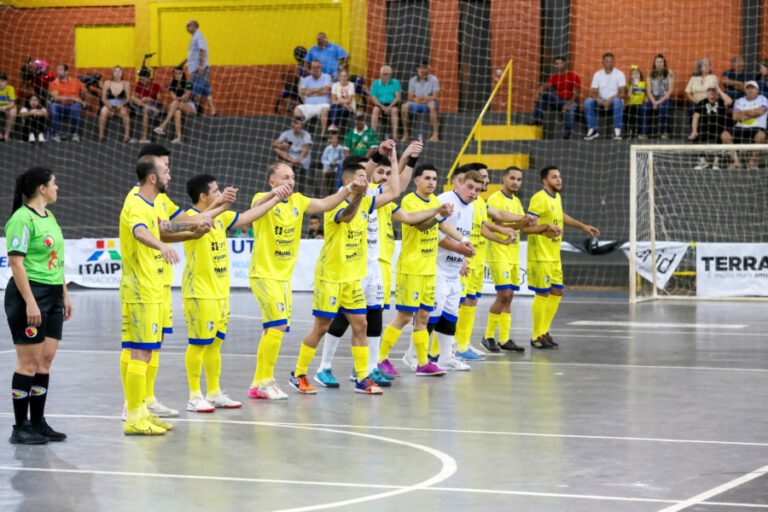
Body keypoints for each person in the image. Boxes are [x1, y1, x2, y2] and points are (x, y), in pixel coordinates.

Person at [314, 142, 449, 387]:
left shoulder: (383, 201)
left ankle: (368, 367)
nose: (387, 177)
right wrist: (386, 156)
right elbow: (376, 176)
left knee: (373, 317)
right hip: (353, 265)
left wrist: (406, 157)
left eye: (389, 174)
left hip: (378, 266)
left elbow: (402, 197)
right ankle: (325, 366)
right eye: (381, 173)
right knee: (344, 319)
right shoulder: (357, 196)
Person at [119, 144, 230, 422]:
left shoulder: (160, 200)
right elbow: (145, 231)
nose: (171, 173)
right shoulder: (135, 201)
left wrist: (203, 222)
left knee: (152, 344)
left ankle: (147, 400)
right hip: (140, 285)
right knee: (137, 346)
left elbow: (173, 225)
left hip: (159, 282)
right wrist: (163, 245)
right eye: (166, 168)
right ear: (151, 174)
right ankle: (132, 407)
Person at [289, 153, 404, 396]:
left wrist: (394, 158)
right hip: (331, 276)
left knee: (360, 325)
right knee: (321, 327)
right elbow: (349, 215)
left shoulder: (368, 201)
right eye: (362, 177)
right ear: (349, 180)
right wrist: (359, 196)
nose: (367, 180)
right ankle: (299, 373)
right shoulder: (335, 204)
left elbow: (394, 192)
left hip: (354, 276)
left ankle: (362, 377)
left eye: (367, 176)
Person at [247, 162, 357, 400]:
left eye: (293, 177)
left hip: (284, 278)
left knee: (272, 330)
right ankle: (266, 381)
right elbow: (254, 207)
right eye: (285, 177)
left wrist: (349, 189)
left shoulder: (298, 201)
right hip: (264, 274)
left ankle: (259, 382)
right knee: (276, 326)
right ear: (272, 181)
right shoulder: (262, 198)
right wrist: (273, 196)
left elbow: (327, 203)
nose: (290, 181)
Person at [182, 175, 291, 412]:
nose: (221, 193)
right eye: (216, 191)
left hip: (221, 293)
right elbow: (198, 220)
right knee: (198, 343)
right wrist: (219, 204)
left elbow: (248, 217)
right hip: (200, 292)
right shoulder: (189, 218)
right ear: (203, 196)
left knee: (215, 345)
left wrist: (275, 198)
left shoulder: (222, 218)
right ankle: (194, 395)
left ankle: (213, 392)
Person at [377, 164, 471, 377]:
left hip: (430, 269)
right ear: (416, 180)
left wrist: (463, 240)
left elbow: (443, 226)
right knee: (404, 316)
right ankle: (380, 358)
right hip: (412, 268)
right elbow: (422, 225)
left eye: (434, 179)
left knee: (424, 317)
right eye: (427, 178)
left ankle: (422, 362)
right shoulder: (410, 201)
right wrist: (438, 214)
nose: (431, 182)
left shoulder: (436, 201)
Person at [6, 167, 71, 444]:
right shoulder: (21, 219)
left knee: (45, 361)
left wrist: (64, 293)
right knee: (28, 363)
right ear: (42, 188)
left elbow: (54, 259)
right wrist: (31, 302)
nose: (58, 188)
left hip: (54, 294)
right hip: (30, 295)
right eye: (55, 184)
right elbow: (16, 263)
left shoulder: (50, 216)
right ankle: (20, 427)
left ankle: (38, 422)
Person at [523, 167, 599, 349]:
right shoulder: (538, 198)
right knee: (542, 293)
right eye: (554, 177)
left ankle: (544, 330)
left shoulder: (555, 197)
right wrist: (544, 229)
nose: (559, 180)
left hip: (554, 255)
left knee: (557, 291)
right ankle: (536, 336)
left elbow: (560, 215)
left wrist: (582, 226)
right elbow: (525, 228)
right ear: (545, 181)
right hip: (540, 255)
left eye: (560, 176)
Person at [482, 167, 532, 353]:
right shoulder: (495, 199)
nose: (516, 182)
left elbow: (518, 225)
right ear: (504, 178)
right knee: (503, 295)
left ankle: (504, 338)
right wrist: (520, 222)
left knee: (509, 296)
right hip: (498, 252)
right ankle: (487, 336)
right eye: (512, 178)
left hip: (512, 253)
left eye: (519, 179)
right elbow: (496, 225)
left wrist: (529, 222)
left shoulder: (517, 201)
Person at [532, 57, 581, 139]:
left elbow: (576, 94)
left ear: (565, 64)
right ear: (554, 66)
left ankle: (567, 133)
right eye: (557, 64)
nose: (559, 65)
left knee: (571, 109)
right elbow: (544, 86)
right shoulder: (554, 77)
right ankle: (537, 119)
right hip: (559, 101)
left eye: (561, 63)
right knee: (545, 94)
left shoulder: (573, 76)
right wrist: (537, 93)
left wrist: (568, 104)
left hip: (571, 101)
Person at [723, 80, 768, 170]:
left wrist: (743, 112)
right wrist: (753, 113)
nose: (750, 90)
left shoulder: (763, 99)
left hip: (757, 127)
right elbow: (735, 117)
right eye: (748, 88)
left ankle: (752, 162)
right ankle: (737, 162)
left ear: (757, 90)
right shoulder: (739, 101)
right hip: (740, 127)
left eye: (753, 88)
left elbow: (760, 111)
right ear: (745, 90)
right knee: (724, 135)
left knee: (761, 136)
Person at [583, 53, 626, 141]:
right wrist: (597, 99)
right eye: (606, 61)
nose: (609, 63)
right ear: (602, 62)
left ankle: (617, 131)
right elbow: (593, 92)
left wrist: (611, 99)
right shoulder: (597, 74)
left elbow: (622, 92)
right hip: (601, 101)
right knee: (587, 102)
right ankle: (593, 130)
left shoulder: (620, 74)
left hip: (614, 100)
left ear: (614, 62)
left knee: (618, 102)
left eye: (611, 61)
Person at [689, 85, 732, 170]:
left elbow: (729, 101)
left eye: (713, 91)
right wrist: (694, 131)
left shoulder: (721, 101)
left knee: (721, 135)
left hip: (719, 127)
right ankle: (703, 162)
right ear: (706, 93)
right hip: (705, 128)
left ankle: (716, 163)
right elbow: (695, 117)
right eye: (709, 91)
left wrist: (719, 90)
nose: (712, 92)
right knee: (695, 136)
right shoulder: (702, 102)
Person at [181, 20, 215, 116]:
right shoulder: (194, 38)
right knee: (206, 90)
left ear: (194, 26)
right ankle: (213, 111)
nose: (187, 28)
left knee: (195, 89)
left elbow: (202, 50)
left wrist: (201, 67)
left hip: (199, 70)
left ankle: (194, 110)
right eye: (186, 26)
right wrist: (183, 63)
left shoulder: (198, 36)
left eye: (189, 26)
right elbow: (192, 54)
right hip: (195, 70)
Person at [401, 61, 440, 142]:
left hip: (428, 102)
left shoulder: (434, 79)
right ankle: (406, 133)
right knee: (404, 106)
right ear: (417, 69)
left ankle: (435, 135)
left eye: (424, 68)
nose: (422, 70)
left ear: (427, 68)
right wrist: (415, 99)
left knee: (432, 106)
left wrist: (425, 98)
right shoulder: (412, 80)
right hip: (416, 103)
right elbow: (410, 96)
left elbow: (435, 96)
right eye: (420, 68)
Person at [154, 67, 195, 144]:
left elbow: (186, 98)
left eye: (179, 73)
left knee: (175, 103)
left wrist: (179, 98)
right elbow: (174, 97)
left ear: (182, 73)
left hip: (189, 106)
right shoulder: (172, 86)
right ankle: (178, 137)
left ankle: (163, 125)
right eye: (175, 74)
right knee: (177, 111)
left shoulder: (188, 83)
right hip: (178, 106)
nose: (177, 75)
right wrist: (180, 98)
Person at [48, 64, 86, 142]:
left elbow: (84, 91)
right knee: (53, 106)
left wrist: (82, 100)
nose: (58, 72)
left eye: (60, 69)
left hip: (73, 105)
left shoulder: (76, 81)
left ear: (66, 72)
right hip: (60, 105)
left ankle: (74, 134)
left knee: (76, 107)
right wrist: (73, 98)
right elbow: (56, 98)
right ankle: (56, 134)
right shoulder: (53, 83)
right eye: (57, 70)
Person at [641, 54, 675, 139]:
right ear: (654, 63)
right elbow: (648, 91)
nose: (659, 63)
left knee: (663, 107)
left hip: (665, 98)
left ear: (664, 63)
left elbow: (670, 90)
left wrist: (659, 101)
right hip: (653, 98)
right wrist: (653, 101)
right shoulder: (650, 73)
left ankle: (664, 132)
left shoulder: (669, 73)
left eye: (661, 62)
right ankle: (645, 133)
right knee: (645, 108)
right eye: (657, 61)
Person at [294, 61, 332, 137]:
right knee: (297, 109)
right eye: (313, 67)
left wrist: (310, 91)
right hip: (308, 105)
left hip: (322, 105)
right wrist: (319, 90)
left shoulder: (327, 77)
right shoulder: (306, 79)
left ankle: (323, 133)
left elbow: (325, 91)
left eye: (318, 67)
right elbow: (303, 91)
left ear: (321, 68)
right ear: (310, 69)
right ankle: (299, 132)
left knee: (324, 110)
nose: (316, 69)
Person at [98, 66, 133, 142]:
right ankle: (101, 136)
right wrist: (108, 105)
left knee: (124, 112)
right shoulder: (107, 83)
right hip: (109, 104)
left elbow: (128, 99)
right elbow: (103, 98)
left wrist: (121, 105)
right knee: (103, 111)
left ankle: (127, 136)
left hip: (121, 104)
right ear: (112, 73)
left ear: (122, 73)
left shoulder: (126, 83)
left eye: (119, 71)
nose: (117, 73)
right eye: (115, 71)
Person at [131, 67, 164, 143]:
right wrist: (142, 99)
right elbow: (134, 97)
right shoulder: (139, 85)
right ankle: (148, 107)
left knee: (145, 110)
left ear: (148, 78)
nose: (141, 81)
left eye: (143, 79)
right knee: (131, 97)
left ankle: (144, 137)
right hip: (142, 105)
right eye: (141, 79)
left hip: (154, 106)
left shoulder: (156, 86)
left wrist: (150, 99)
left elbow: (160, 102)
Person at [685, 58, 719, 130]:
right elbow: (687, 92)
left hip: (709, 101)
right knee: (693, 107)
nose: (707, 66)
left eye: (709, 65)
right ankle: (693, 131)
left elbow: (716, 91)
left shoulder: (713, 77)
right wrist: (696, 101)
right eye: (705, 65)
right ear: (700, 67)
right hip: (696, 101)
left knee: (705, 107)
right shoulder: (693, 78)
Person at [370, 65, 402, 139]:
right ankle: (372, 134)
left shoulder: (395, 82)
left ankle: (395, 135)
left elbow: (397, 97)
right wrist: (382, 107)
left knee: (394, 110)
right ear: (380, 74)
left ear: (390, 74)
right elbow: (374, 99)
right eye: (383, 74)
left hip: (392, 104)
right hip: (380, 104)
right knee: (375, 109)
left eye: (387, 74)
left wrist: (389, 107)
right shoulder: (375, 83)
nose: (385, 76)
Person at [624, 65, 646, 139]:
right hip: (631, 104)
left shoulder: (644, 84)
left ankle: (636, 132)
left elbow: (646, 95)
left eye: (637, 73)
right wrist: (632, 86)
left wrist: (645, 101)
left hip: (640, 104)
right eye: (633, 74)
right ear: (631, 76)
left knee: (638, 110)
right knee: (628, 111)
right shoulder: (628, 84)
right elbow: (629, 96)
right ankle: (629, 131)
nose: (635, 75)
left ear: (640, 75)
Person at [320, 128, 344, 194]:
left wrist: (337, 163)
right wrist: (329, 163)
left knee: (337, 174)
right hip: (329, 166)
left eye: (335, 138)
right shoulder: (328, 148)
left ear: (338, 139)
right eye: (332, 138)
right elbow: (323, 159)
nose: (333, 140)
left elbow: (343, 159)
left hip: (337, 167)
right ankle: (327, 192)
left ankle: (336, 192)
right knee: (325, 173)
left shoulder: (341, 148)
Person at [0, 73, 18, 141]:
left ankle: (7, 134)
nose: (0, 83)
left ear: (6, 82)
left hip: (8, 107)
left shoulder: (10, 88)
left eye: (2, 81)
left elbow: (12, 103)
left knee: (13, 112)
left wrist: (5, 108)